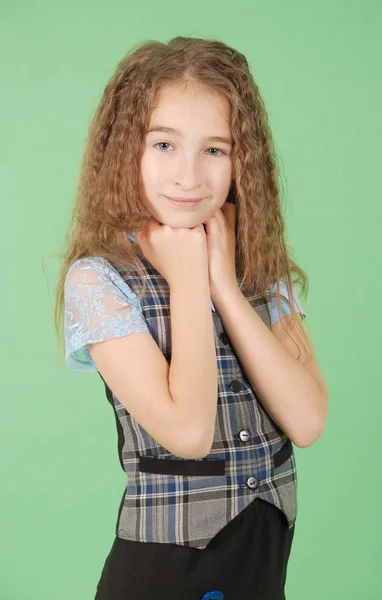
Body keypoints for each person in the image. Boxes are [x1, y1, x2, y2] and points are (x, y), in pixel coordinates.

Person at [54, 36, 328, 599]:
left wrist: (223, 284)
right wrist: (184, 280)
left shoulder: (255, 264)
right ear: (125, 149)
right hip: (164, 571)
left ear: (241, 161)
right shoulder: (100, 280)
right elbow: (188, 432)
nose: (188, 176)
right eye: (163, 145)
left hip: (262, 560)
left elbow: (306, 420)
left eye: (215, 151)